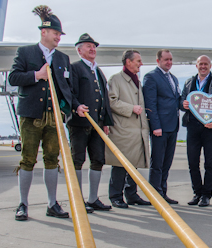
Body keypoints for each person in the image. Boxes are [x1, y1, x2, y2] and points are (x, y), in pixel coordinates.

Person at [8, 5, 71, 221]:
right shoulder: (25, 52)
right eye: (56, 34)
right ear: (44, 32)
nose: (58, 38)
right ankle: (23, 204)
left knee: (52, 159)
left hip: (54, 118)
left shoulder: (62, 59)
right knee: (27, 159)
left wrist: (70, 108)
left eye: (60, 35)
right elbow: (13, 78)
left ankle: (52, 204)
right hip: (30, 116)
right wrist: (37, 75)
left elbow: (67, 88)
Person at [67, 33, 114, 212]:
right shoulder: (75, 68)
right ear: (79, 50)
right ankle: (78, 201)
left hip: (98, 124)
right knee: (78, 160)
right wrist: (77, 106)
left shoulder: (98, 70)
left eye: (94, 46)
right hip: (79, 123)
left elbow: (104, 97)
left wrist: (105, 121)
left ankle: (93, 199)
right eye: (88, 46)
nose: (92, 49)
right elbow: (68, 92)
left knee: (98, 160)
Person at [180, 55, 212, 207]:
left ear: (210, 65)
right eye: (200, 64)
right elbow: (181, 101)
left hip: (210, 128)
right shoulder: (189, 82)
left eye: (206, 64)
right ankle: (197, 193)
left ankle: (206, 195)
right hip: (192, 126)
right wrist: (183, 104)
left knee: (209, 162)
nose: (203, 66)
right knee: (193, 162)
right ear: (196, 66)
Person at [106, 50, 151, 208]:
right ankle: (115, 196)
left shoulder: (136, 80)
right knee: (120, 164)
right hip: (123, 130)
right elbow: (111, 101)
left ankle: (131, 195)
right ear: (128, 62)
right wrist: (131, 108)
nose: (141, 64)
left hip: (136, 130)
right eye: (138, 61)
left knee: (134, 163)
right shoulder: (116, 79)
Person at [143, 49, 181, 204]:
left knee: (167, 162)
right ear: (158, 61)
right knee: (157, 162)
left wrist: (184, 104)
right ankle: (155, 195)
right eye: (166, 60)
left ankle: (162, 192)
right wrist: (155, 125)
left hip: (173, 126)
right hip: (160, 128)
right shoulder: (151, 77)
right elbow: (150, 103)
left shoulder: (174, 78)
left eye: (171, 59)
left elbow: (175, 99)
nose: (169, 62)